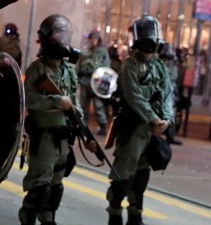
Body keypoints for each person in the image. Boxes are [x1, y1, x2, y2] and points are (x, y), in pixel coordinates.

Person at [19, 14, 96, 225]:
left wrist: (86, 135)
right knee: (39, 190)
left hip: (64, 140)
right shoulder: (37, 69)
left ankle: (48, 220)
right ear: (47, 39)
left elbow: (75, 105)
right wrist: (57, 101)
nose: (64, 41)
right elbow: (30, 99)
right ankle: (27, 218)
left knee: (54, 190)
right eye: (59, 36)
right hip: (44, 139)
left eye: (65, 36)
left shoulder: (68, 71)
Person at [106, 14, 174, 225]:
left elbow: (167, 94)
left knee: (142, 172)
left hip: (152, 131)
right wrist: (155, 120)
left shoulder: (159, 66)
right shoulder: (130, 66)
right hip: (133, 127)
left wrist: (167, 120)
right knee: (124, 171)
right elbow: (134, 96)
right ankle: (115, 211)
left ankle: (135, 212)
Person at [75, 29, 111, 136]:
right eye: (91, 38)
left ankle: (103, 126)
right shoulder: (85, 52)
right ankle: (83, 126)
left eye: (95, 38)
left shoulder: (102, 52)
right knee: (83, 105)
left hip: (97, 82)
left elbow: (106, 67)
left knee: (98, 105)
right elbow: (78, 67)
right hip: (85, 81)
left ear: (98, 40)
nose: (93, 41)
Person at [159, 42, 182, 145]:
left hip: (170, 90)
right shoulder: (159, 63)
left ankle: (170, 135)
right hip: (162, 89)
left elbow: (174, 76)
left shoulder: (172, 64)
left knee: (171, 113)